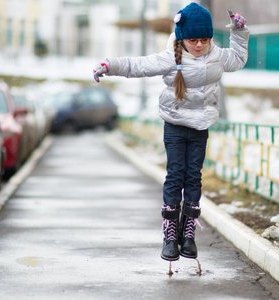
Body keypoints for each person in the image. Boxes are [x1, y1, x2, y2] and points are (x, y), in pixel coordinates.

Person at [93, 2, 248, 261]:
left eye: (204, 40)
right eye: (192, 40)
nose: (199, 46)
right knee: (176, 175)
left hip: (200, 126)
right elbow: (137, 65)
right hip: (175, 125)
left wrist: (239, 32)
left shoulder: (218, 56)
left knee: (194, 177)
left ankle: (188, 234)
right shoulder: (170, 57)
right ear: (182, 38)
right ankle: (169, 234)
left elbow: (239, 58)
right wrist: (109, 65)